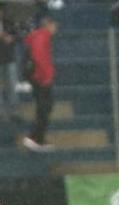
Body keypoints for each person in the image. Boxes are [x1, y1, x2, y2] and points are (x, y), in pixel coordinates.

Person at [21, 15, 56, 152]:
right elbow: (39, 57)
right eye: (54, 25)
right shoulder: (43, 36)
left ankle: (36, 137)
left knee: (45, 107)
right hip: (41, 78)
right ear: (48, 25)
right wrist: (46, 76)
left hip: (37, 77)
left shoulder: (37, 36)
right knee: (45, 107)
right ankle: (36, 138)